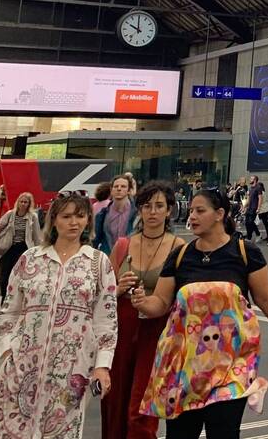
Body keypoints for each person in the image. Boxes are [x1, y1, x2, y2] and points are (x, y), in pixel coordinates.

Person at [131, 188, 268, 439]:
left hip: (231, 366)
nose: (192, 217)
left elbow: (266, 298)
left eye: (200, 211)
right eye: (192, 211)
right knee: (180, 434)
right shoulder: (181, 256)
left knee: (224, 432)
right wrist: (142, 302)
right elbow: (161, 302)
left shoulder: (244, 251)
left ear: (220, 214)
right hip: (186, 369)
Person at [0, 193, 116, 438]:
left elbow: (106, 318)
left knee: (61, 428)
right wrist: (9, 348)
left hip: (72, 366)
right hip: (23, 363)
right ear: (54, 220)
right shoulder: (31, 259)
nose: (74, 222)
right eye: (66, 216)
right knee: (11, 428)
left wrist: (102, 366)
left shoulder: (98, 263)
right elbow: (10, 307)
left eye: (80, 216)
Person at [102, 182, 181, 439]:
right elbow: (104, 293)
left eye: (159, 206)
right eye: (147, 206)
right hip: (123, 327)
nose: (153, 212)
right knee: (114, 398)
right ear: (139, 210)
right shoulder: (123, 245)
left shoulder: (178, 246)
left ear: (169, 210)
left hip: (157, 328)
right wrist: (118, 289)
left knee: (143, 402)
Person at [0, 191, 43, 302]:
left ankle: (15, 298)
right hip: (8, 248)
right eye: (21, 201)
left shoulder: (33, 217)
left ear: (29, 204)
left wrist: (39, 251)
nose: (23, 204)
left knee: (18, 275)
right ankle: (4, 296)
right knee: (4, 275)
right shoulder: (10, 214)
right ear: (18, 202)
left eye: (26, 202)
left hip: (23, 248)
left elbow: (36, 235)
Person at [94, 176, 138, 255]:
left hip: (129, 257)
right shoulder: (102, 215)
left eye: (123, 186)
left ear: (129, 191)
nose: (119, 189)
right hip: (108, 256)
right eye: (116, 186)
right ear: (111, 190)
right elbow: (95, 239)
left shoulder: (136, 214)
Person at [243, 177, 263, 242]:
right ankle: (254, 234)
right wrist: (244, 207)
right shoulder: (250, 188)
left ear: (254, 180)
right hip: (249, 208)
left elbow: (260, 198)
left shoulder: (258, 187)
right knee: (247, 223)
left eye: (251, 179)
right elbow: (248, 199)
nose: (250, 179)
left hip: (254, 208)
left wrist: (258, 208)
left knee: (251, 222)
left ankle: (250, 237)